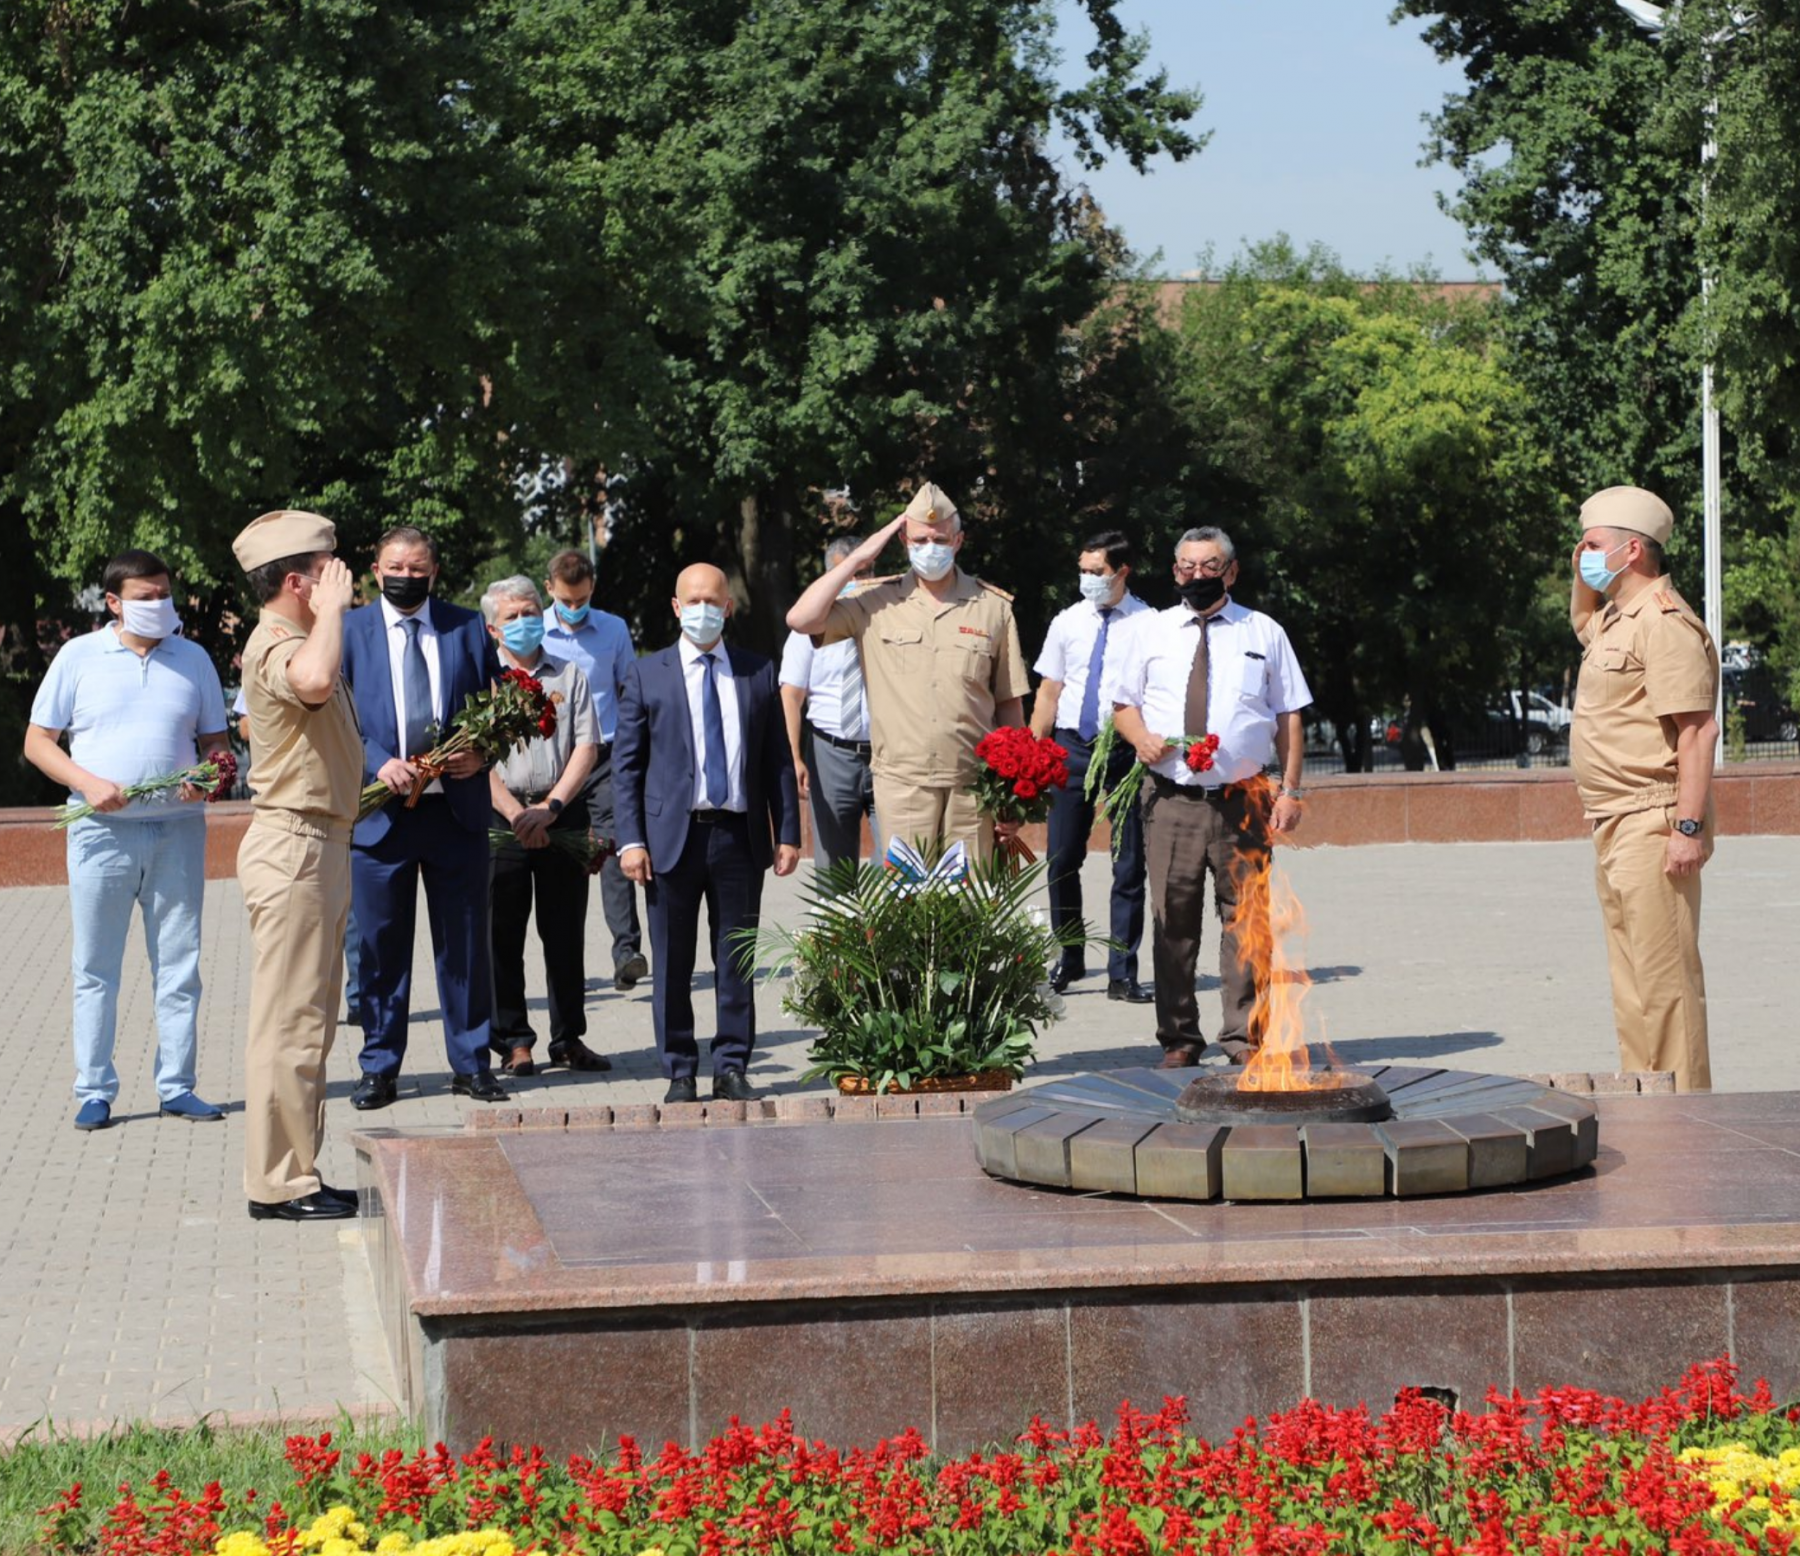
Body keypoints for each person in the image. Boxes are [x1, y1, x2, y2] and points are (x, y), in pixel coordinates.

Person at [25, 550, 231, 1132]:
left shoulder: (193, 659)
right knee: (95, 966)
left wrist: (210, 777)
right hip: (99, 835)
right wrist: (86, 783)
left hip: (178, 834)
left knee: (180, 965)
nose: (157, 605)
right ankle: (94, 1089)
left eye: (164, 594)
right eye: (144, 597)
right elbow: (39, 742)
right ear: (112, 602)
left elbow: (216, 742)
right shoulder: (78, 656)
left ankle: (177, 1086)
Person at [1110, 526, 1311, 1068]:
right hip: (1170, 800)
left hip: (1242, 801)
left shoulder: (1263, 631)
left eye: (1210, 565)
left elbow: (1290, 714)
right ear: (1174, 572)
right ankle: (1178, 1038)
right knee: (1172, 919)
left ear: (1232, 570)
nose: (1198, 576)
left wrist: (1290, 790)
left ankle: (1244, 1038)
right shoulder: (1150, 632)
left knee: (1246, 921)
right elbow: (1122, 704)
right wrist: (1141, 737)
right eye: (1187, 567)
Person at [614, 563, 801, 1103]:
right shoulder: (648, 674)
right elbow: (626, 766)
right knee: (672, 962)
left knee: (736, 958)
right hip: (671, 839)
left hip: (738, 838)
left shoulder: (757, 672)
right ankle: (678, 1070)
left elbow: (778, 763)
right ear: (676, 608)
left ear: (728, 607)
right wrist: (630, 841)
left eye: (711, 601)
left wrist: (786, 830)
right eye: (691, 601)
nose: (702, 610)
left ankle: (732, 1066)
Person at [340, 526, 507, 1108]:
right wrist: (376, 762)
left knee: (463, 945)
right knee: (381, 949)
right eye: (394, 566)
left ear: (434, 572)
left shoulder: (466, 628)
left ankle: (472, 1062)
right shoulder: (348, 631)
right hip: (379, 816)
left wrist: (482, 751)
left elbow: (502, 706)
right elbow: (335, 719)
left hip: (454, 815)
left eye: (416, 568)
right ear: (374, 567)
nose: (404, 577)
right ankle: (380, 1067)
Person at [230, 509, 362, 1221]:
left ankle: (296, 1170)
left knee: (309, 1020)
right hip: (296, 848)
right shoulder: (280, 645)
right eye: (326, 571)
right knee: (289, 1023)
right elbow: (312, 681)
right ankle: (277, 1183)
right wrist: (333, 611)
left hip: (318, 844)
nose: (339, 579)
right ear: (295, 582)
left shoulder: (303, 636)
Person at [784, 483, 1028, 861]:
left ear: (958, 541)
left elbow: (1009, 705)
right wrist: (857, 559)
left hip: (971, 789)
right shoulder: (875, 601)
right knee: (906, 908)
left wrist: (1013, 793)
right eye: (920, 539)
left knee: (967, 910)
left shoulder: (992, 608)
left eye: (940, 539)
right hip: (902, 787)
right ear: (903, 540)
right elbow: (801, 619)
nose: (930, 547)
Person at [1569, 485, 1719, 1092]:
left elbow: (1698, 732)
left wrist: (1688, 828)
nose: (1582, 555)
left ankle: (1686, 1114)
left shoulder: (1665, 623)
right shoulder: (1612, 620)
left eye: (1593, 545)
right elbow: (1579, 615)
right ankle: (1645, 1099)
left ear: (1632, 551)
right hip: (1613, 821)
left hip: (1654, 820)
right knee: (1633, 986)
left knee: (1667, 989)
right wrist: (1583, 556)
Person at [482, 575, 609, 1077]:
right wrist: (515, 812)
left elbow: (587, 745)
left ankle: (568, 1037)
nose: (523, 623)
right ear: (494, 629)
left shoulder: (569, 674)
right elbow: (475, 756)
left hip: (561, 816)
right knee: (502, 934)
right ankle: (514, 1040)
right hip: (502, 821)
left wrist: (552, 807)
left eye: (530, 612)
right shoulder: (482, 680)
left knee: (564, 933)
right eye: (511, 617)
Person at [1029, 530, 1152, 1002]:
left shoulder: (1149, 623)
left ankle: (1122, 971)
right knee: (1061, 859)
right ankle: (1070, 956)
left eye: (1095, 572)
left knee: (1129, 865)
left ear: (1122, 572)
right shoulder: (1067, 622)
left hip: (1123, 752)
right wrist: (1033, 755)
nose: (1086, 580)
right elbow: (1048, 691)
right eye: (1081, 571)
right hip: (1070, 748)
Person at [541, 550, 648, 989]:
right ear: (549, 588)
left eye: (581, 599)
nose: (573, 607)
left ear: (593, 588)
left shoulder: (613, 629)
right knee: (559, 855)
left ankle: (627, 951)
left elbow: (630, 688)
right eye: (565, 600)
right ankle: (566, 963)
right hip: (553, 759)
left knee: (611, 847)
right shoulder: (535, 631)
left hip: (604, 754)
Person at [235, 684, 363, 1018]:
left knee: (349, 913)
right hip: (290, 814)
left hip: (340, 803)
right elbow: (245, 726)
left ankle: (359, 996)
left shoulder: (339, 660)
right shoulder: (275, 655)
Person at [779, 536, 878, 879]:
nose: (858, 583)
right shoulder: (808, 630)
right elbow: (791, 694)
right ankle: (838, 933)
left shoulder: (888, 621)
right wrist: (794, 756)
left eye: (865, 573)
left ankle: (884, 933)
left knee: (896, 868)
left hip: (887, 752)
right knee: (834, 872)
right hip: (830, 752)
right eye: (848, 573)